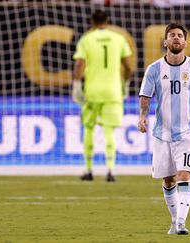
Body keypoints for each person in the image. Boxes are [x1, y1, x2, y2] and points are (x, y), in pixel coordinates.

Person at [138, 23, 190, 235]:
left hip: (188, 132)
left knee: (184, 175)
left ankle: (180, 223)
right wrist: (142, 117)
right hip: (162, 134)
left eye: (180, 35)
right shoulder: (154, 69)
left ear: (185, 42)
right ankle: (174, 220)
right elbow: (145, 97)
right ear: (165, 42)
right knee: (168, 180)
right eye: (172, 35)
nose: (176, 38)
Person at [72, 10, 133, 182]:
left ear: (92, 21)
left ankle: (89, 169)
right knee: (109, 131)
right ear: (108, 21)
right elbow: (129, 66)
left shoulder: (87, 39)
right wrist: (125, 83)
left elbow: (79, 65)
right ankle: (110, 170)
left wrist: (76, 85)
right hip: (113, 91)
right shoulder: (119, 38)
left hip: (92, 91)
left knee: (89, 129)